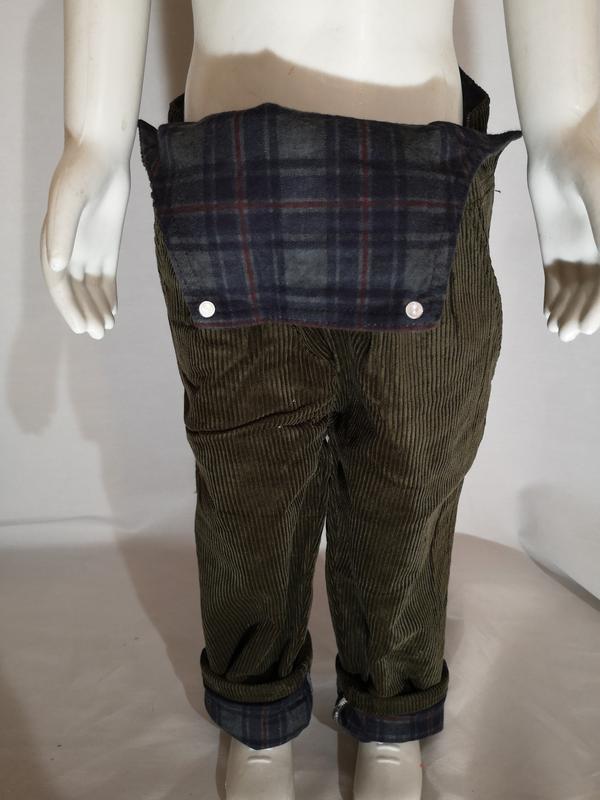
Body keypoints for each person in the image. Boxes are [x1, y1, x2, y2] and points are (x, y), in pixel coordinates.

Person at [40, 2, 600, 798]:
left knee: (412, 478)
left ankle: (392, 716)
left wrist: (571, 132)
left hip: (425, 179)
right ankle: (256, 715)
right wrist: (90, 141)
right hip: (234, 182)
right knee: (250, 490)